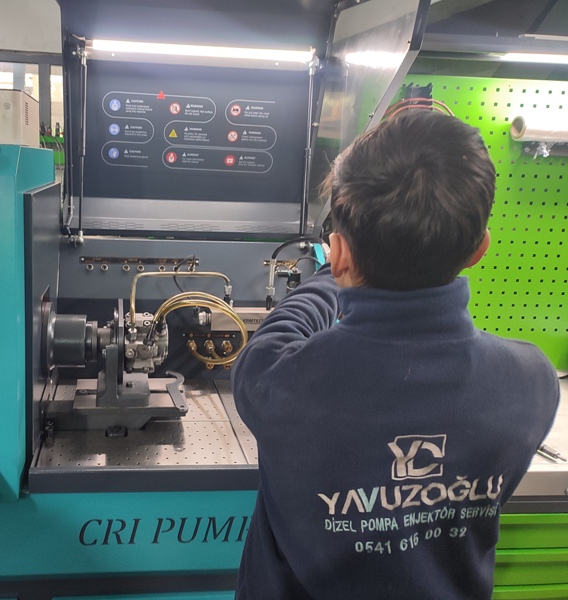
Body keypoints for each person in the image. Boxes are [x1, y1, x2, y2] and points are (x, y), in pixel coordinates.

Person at [231, 110, 560, 600]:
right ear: (479, 250)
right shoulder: (532, 383)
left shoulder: (275, 381)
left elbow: (279, 332)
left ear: (339, 252)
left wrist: (330, 274)